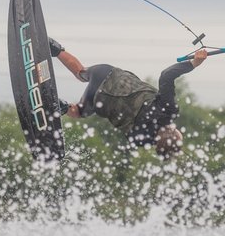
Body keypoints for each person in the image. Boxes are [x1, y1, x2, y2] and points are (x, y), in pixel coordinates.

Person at [49, 38, 208, 159]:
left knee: (82, 74)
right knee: (77, 111)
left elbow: (167, 76)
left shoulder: (168, 111)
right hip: (99, 99)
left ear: (175, 131)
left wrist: (194, 62)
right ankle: (57, 105)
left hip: (107, 74)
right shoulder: (140, 140)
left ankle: (54, 49)